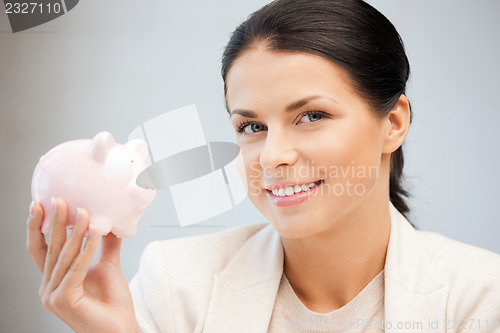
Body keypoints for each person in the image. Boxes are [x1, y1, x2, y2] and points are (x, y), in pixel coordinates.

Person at [27, 0, 500, 332]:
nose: (273, 157)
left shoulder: (481, 298)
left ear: (393, 123)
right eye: (251, 127)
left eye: (311, 116)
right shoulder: (176, 284)